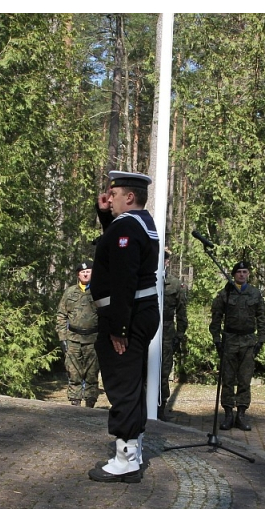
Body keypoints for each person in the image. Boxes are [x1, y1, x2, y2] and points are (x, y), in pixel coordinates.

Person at [86, 170, 160, 484]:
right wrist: (104, 215)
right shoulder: (139, 223)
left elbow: (124, 276)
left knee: (121, 386)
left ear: (128, 197)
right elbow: (117, 254)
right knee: (130, 384)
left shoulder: (128, 225)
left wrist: (119, 328)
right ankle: (133, 452)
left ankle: (125, 460)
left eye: (113, 195)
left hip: (127, 315)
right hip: (139, 312)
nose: (110, 198)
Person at [210, 261, 265, 431]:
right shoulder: (225, 293)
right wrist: (217, 340)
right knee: (227, 379)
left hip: (248, 341)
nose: (242, 275)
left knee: (245, 379)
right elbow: (216, 319)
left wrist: (261, 340)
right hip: (229, 340)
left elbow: (262, 319)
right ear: (234, 274)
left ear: (248, 274)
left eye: (245, 272)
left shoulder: (255, 294)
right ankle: (228, 414)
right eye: (239, 272)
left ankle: (241, 415)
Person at [56, 260, 100, 408]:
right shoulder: (70, 292)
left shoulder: (99, 291)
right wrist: (63, 338)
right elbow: (61, 315)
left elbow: (107, 316)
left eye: (88, 271)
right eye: (82, 272)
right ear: (78, 275)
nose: (85, 274)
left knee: (92, 374)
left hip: (93, 339)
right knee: (73, 373)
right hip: (73, 339)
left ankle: (90, 403)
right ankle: (75, 403)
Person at [159, 248, 188, 421]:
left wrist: (179, 335)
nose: (161, 263)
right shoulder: (144, 281)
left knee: (164, 370)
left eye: (164, 260)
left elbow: (181, 312)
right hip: (146, 331)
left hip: (167, 332)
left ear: (168, 262)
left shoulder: (175, 284)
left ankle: (161, 408)